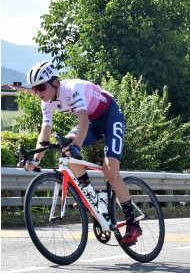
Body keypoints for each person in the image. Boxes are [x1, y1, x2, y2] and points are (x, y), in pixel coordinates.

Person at [21, 61, 141, 245]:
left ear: (55, 82)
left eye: (41, 87)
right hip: (93, 122)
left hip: (111, 117)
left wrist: (77, 145)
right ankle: (90, 194)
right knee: (65, 149)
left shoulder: (73, 88)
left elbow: (82, 120)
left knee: (110, 170)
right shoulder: (47, 103)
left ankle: (132, 224)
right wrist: (36, 160)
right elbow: (44, 134)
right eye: (34, 89)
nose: (38, 92)